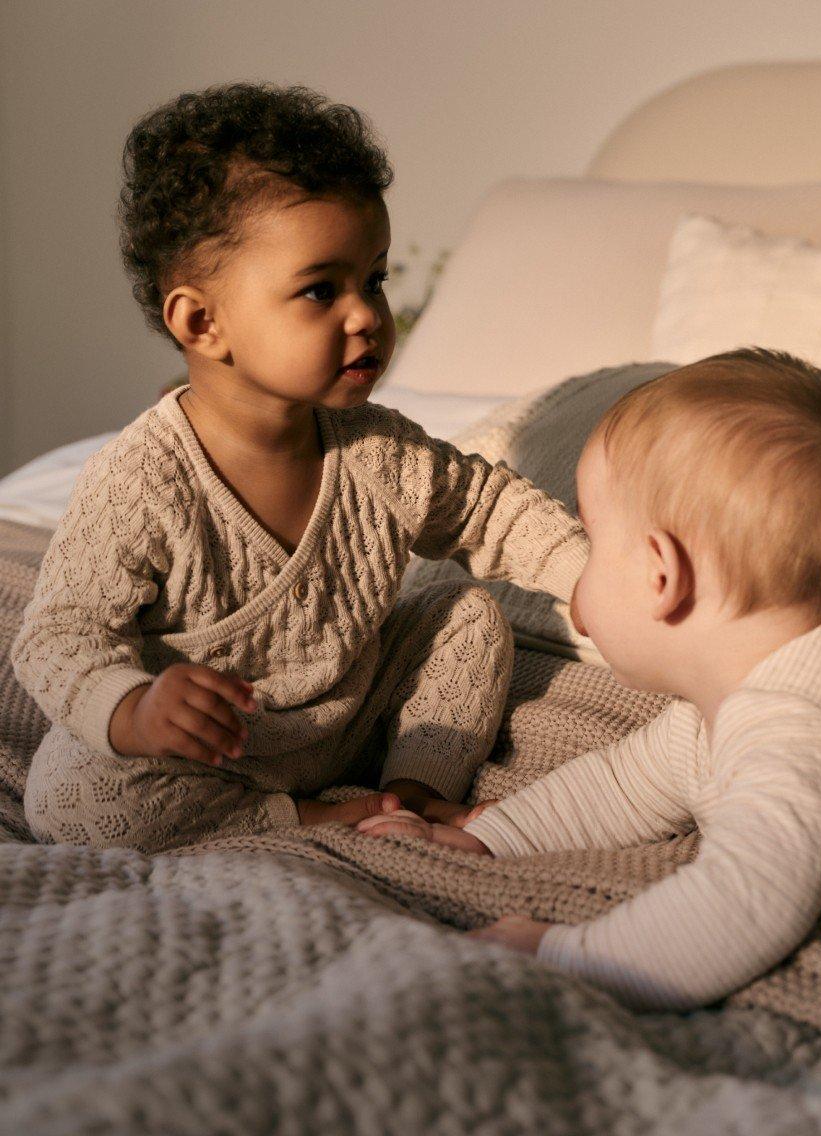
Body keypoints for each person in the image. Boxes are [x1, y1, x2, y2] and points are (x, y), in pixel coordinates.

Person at [12, 83, 588, 852]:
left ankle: (412, 793)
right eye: (322, 289)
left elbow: (491, 510)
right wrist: (137, 709)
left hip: (346, 721)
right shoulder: (141, 481)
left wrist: (593, 577)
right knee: (70, 800)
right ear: (203, 321)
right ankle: (306, 819)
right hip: (211, 752)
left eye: (374, 279)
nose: (365, 315)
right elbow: (57, 636)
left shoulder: (378, 448)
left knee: (468, 613)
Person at [359, 349, 821, 1012]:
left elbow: (745, 902)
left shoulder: (801, 731)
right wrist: (487, 838)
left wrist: (564, 954)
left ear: (660, 577)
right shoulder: (724, 705)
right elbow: (618, 788)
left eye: (592, 540)